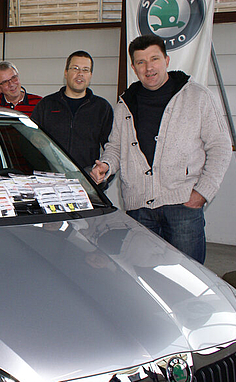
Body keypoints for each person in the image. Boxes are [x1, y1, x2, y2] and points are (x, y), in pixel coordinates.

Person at [90, 35, 231, 264]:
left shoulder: (197, 96)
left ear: (166, 60)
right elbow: (115, 147)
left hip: (183, 207)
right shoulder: (125, 104)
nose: (148, 67)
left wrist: (203, 192)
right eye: (140, 62)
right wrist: (106, 164)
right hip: (139, 211)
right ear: (134, 67)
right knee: (143, 280)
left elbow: (221, 146)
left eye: (154, 59)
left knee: (188, 278)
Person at [31, 51, 113, 170]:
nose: (80, 74)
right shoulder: (46, 105)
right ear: (66, 73)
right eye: (75, 68)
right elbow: (31, 141)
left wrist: (102, 172)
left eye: (85, 70)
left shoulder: (102, 108)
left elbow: (111, 147)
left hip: (86, 181)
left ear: (90, 75)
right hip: (50, 181)